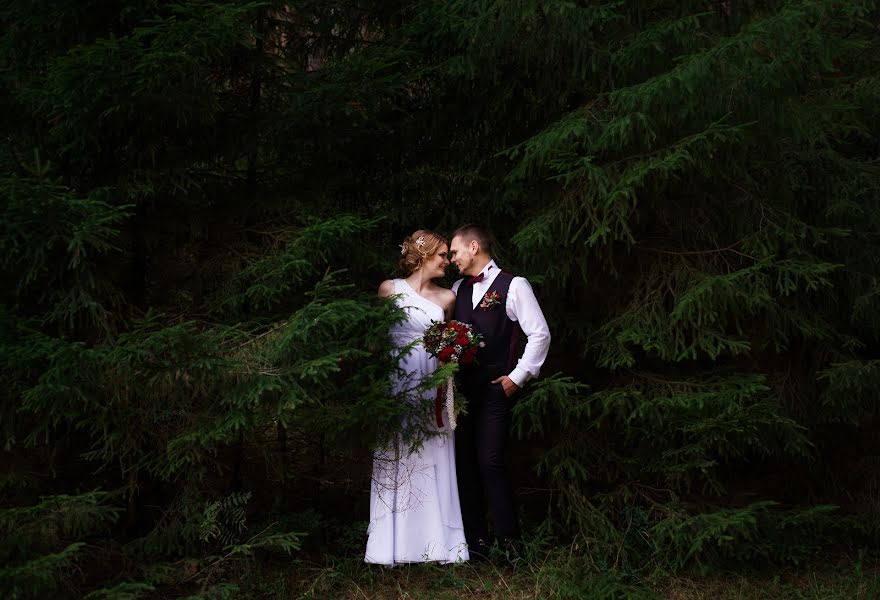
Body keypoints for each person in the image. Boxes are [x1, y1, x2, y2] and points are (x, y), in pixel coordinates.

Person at [364, 230, 470, 566]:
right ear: (423, 255)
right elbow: (375, 342)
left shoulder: (446, 300)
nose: (446, 262)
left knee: (433, 455)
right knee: (397, 455)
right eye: (441, 255)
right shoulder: (389, 290)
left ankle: (439, 546)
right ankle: (390, 547)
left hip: (432, 386)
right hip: (397, 384)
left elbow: (446, 344)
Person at [448, 224, 551, 559]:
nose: (452, 259)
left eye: (455, 252)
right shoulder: (457, 288)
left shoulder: (513, 285)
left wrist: (517, 377)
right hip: (461, 393)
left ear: (473, 246)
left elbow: (540, 334)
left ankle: (511, 545)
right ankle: (476, 544)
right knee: (465, 464)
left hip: (495, 390)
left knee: (490, 462)